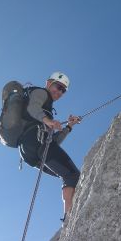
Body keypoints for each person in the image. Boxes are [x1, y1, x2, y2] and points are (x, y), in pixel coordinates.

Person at [18, 72, 81, 220]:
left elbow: (52, 143)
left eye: (63, 90)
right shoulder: (40, 92)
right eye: (58, 86)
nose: (59, 92)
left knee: (68, 175)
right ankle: (69, 217)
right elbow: (32, 108)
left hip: (32, 152)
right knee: (72, 175)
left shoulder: (46, 108)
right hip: (35, 143)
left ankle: (68, 216)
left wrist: (69, 127)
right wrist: (48, 121)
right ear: (48, 83)